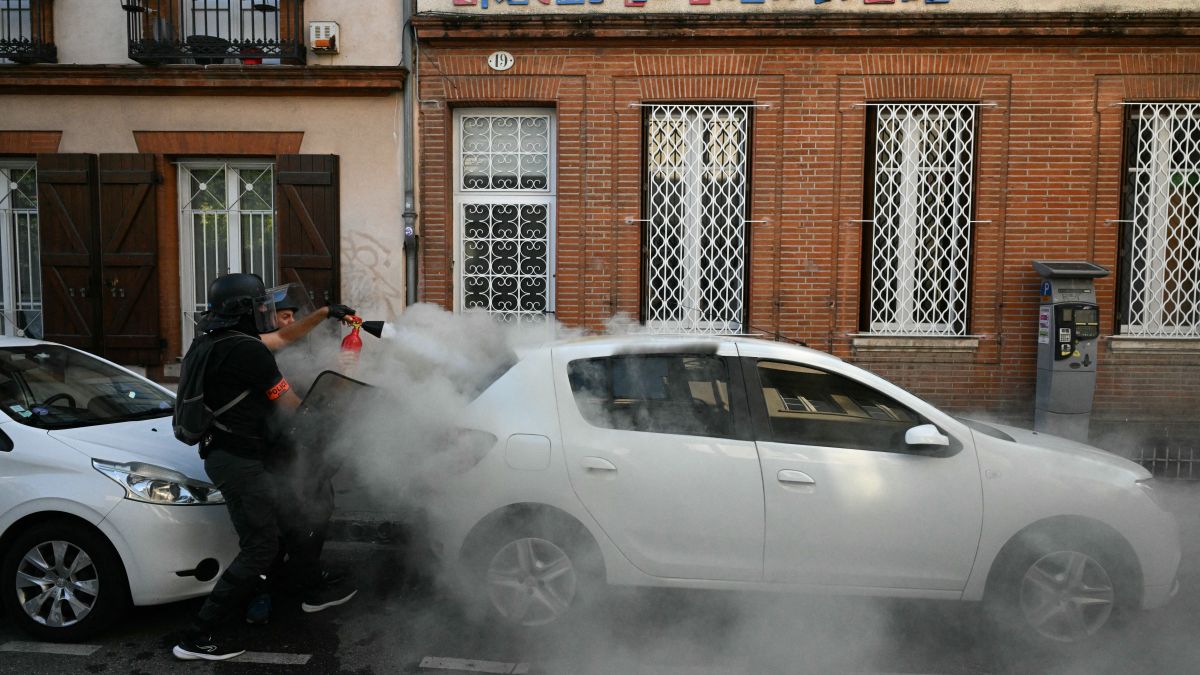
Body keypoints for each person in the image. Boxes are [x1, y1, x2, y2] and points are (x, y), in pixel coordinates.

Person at [170, 274, 354, 662]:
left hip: (227, 453)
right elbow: (290, 404)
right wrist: (335, 398)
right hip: (239, 461)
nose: (265, 313)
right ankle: (197, 635)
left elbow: (282, 339)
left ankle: (298, 590)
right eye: (258, 306)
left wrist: (322, 314)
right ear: (244, 310)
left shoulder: (213, 341)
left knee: (289, 519)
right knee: (260, 546)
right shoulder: (248, 353)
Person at [244, 283, 357, 625]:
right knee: (277, 530)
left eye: (294, 315)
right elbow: (294, 404)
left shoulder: (291, 354)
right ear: (265, 319)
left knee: (311, 518)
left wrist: (341, 373)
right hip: (274, 453)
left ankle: (302, 580)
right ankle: (271, 594)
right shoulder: (260, 354)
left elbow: (315, 396)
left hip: (301, 452)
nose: (291, 322)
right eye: (284, 316)